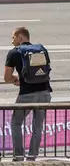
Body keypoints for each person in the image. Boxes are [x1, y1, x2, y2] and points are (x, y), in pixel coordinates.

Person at [4, 26, 51, 162]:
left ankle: (18, 156)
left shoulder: (14, 53)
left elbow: (7, 77)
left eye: (13, 37)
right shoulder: (42, 49)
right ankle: (32, 157)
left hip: (27, 94)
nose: (12, 41)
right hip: (45, 93)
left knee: (16, 123)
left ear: (20, 37)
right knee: (38, 125)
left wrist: (15, 80)